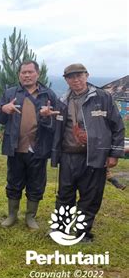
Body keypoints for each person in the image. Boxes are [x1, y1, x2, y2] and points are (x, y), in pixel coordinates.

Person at [51, 63, 125, 242]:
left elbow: (118, 126)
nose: (76, 80)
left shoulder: (103, 97)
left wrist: (114, 153)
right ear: (66, 80)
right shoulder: (62, 100)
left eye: (79, 75)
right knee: (65, 194)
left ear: (87, 75)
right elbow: (56, 128)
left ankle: (83, 233)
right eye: (71, 77)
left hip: (95, 155)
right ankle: (61, 229)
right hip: (68, 155)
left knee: (90, 196)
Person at [0, 60, 59, 229]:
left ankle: (30, 216)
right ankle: (12, 215)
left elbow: (57, 122)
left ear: (37, 74)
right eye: (23, 72)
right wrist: (3, 109)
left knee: (36, 183)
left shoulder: (48, 95)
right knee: (14, 181)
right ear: (19, 75)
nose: (27, 75)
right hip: (15, 147)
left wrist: (48, 116)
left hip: (39, 148)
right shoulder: (10, 93)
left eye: (30, 72)